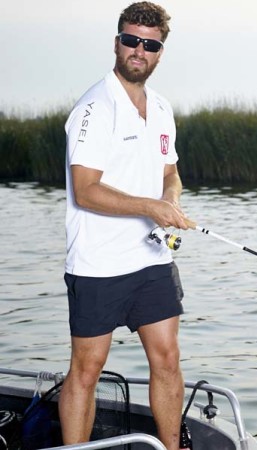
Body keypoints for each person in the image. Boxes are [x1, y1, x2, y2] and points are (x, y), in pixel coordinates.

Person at [59, 3, 190, 449]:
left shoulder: (162, 107)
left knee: (168, 359)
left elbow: (170, 173)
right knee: (86, 369)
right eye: (131, 40)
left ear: (159, 53)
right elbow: (85, 190)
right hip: (97, 263)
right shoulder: (94, 108)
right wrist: (151, 208)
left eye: (150, 44)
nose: (140, 50)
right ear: (117, 43)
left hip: (152, 258)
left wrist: (170, 201)